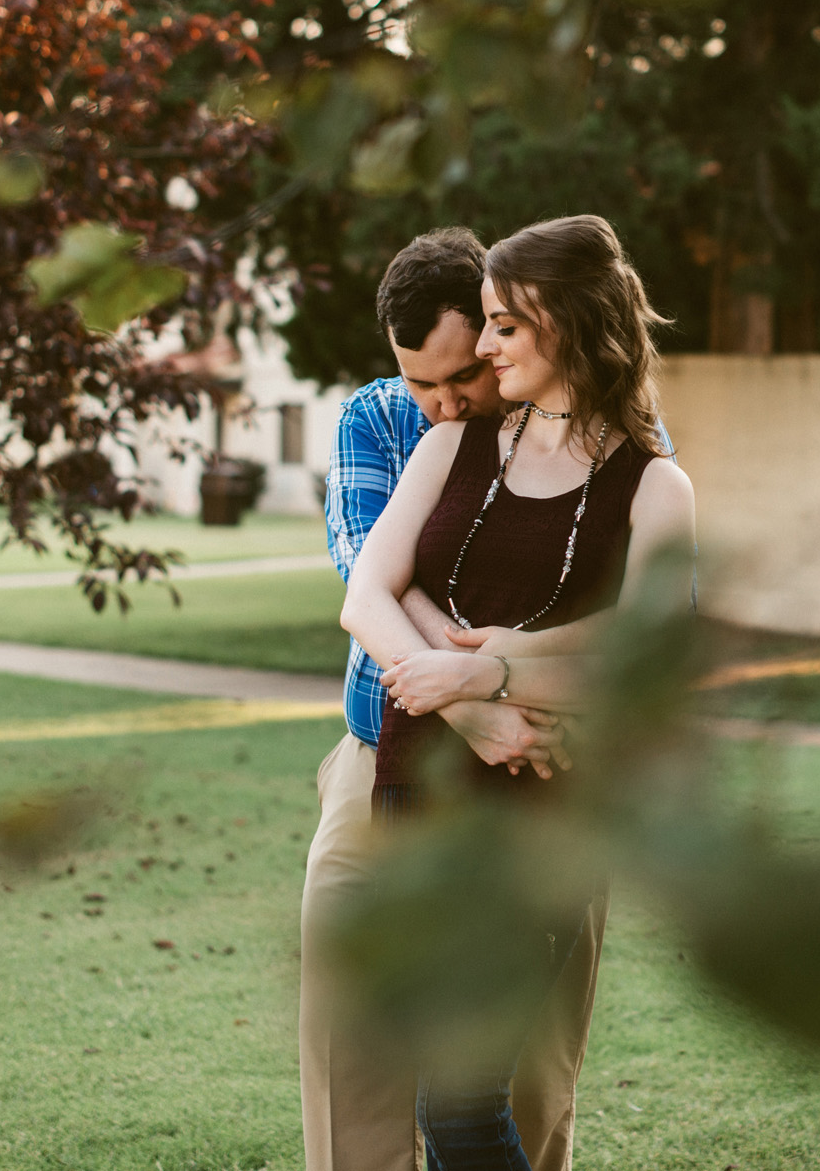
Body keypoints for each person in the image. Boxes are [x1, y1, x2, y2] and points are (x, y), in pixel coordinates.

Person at [340, 215, 697, 1170]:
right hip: (418, 798)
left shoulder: (654, 484)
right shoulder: (452, 448)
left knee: (461, 1106)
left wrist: (490, 666)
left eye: (503, 326)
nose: (483, 348)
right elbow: (364, 594)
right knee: (439, 1092)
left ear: (569, 325)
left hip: (543, 812)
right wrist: (460, 695)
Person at [306, 227, 582, 1171]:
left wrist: (493, 687)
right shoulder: (377, 421)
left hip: (544, 774)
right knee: (357, 1029)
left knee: (529, 1052)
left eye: (459, 376)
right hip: (380, 752)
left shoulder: (587, 431)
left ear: (507, 332)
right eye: (418, 380)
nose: (439, 403)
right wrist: (466, 701)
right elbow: (362, 573)